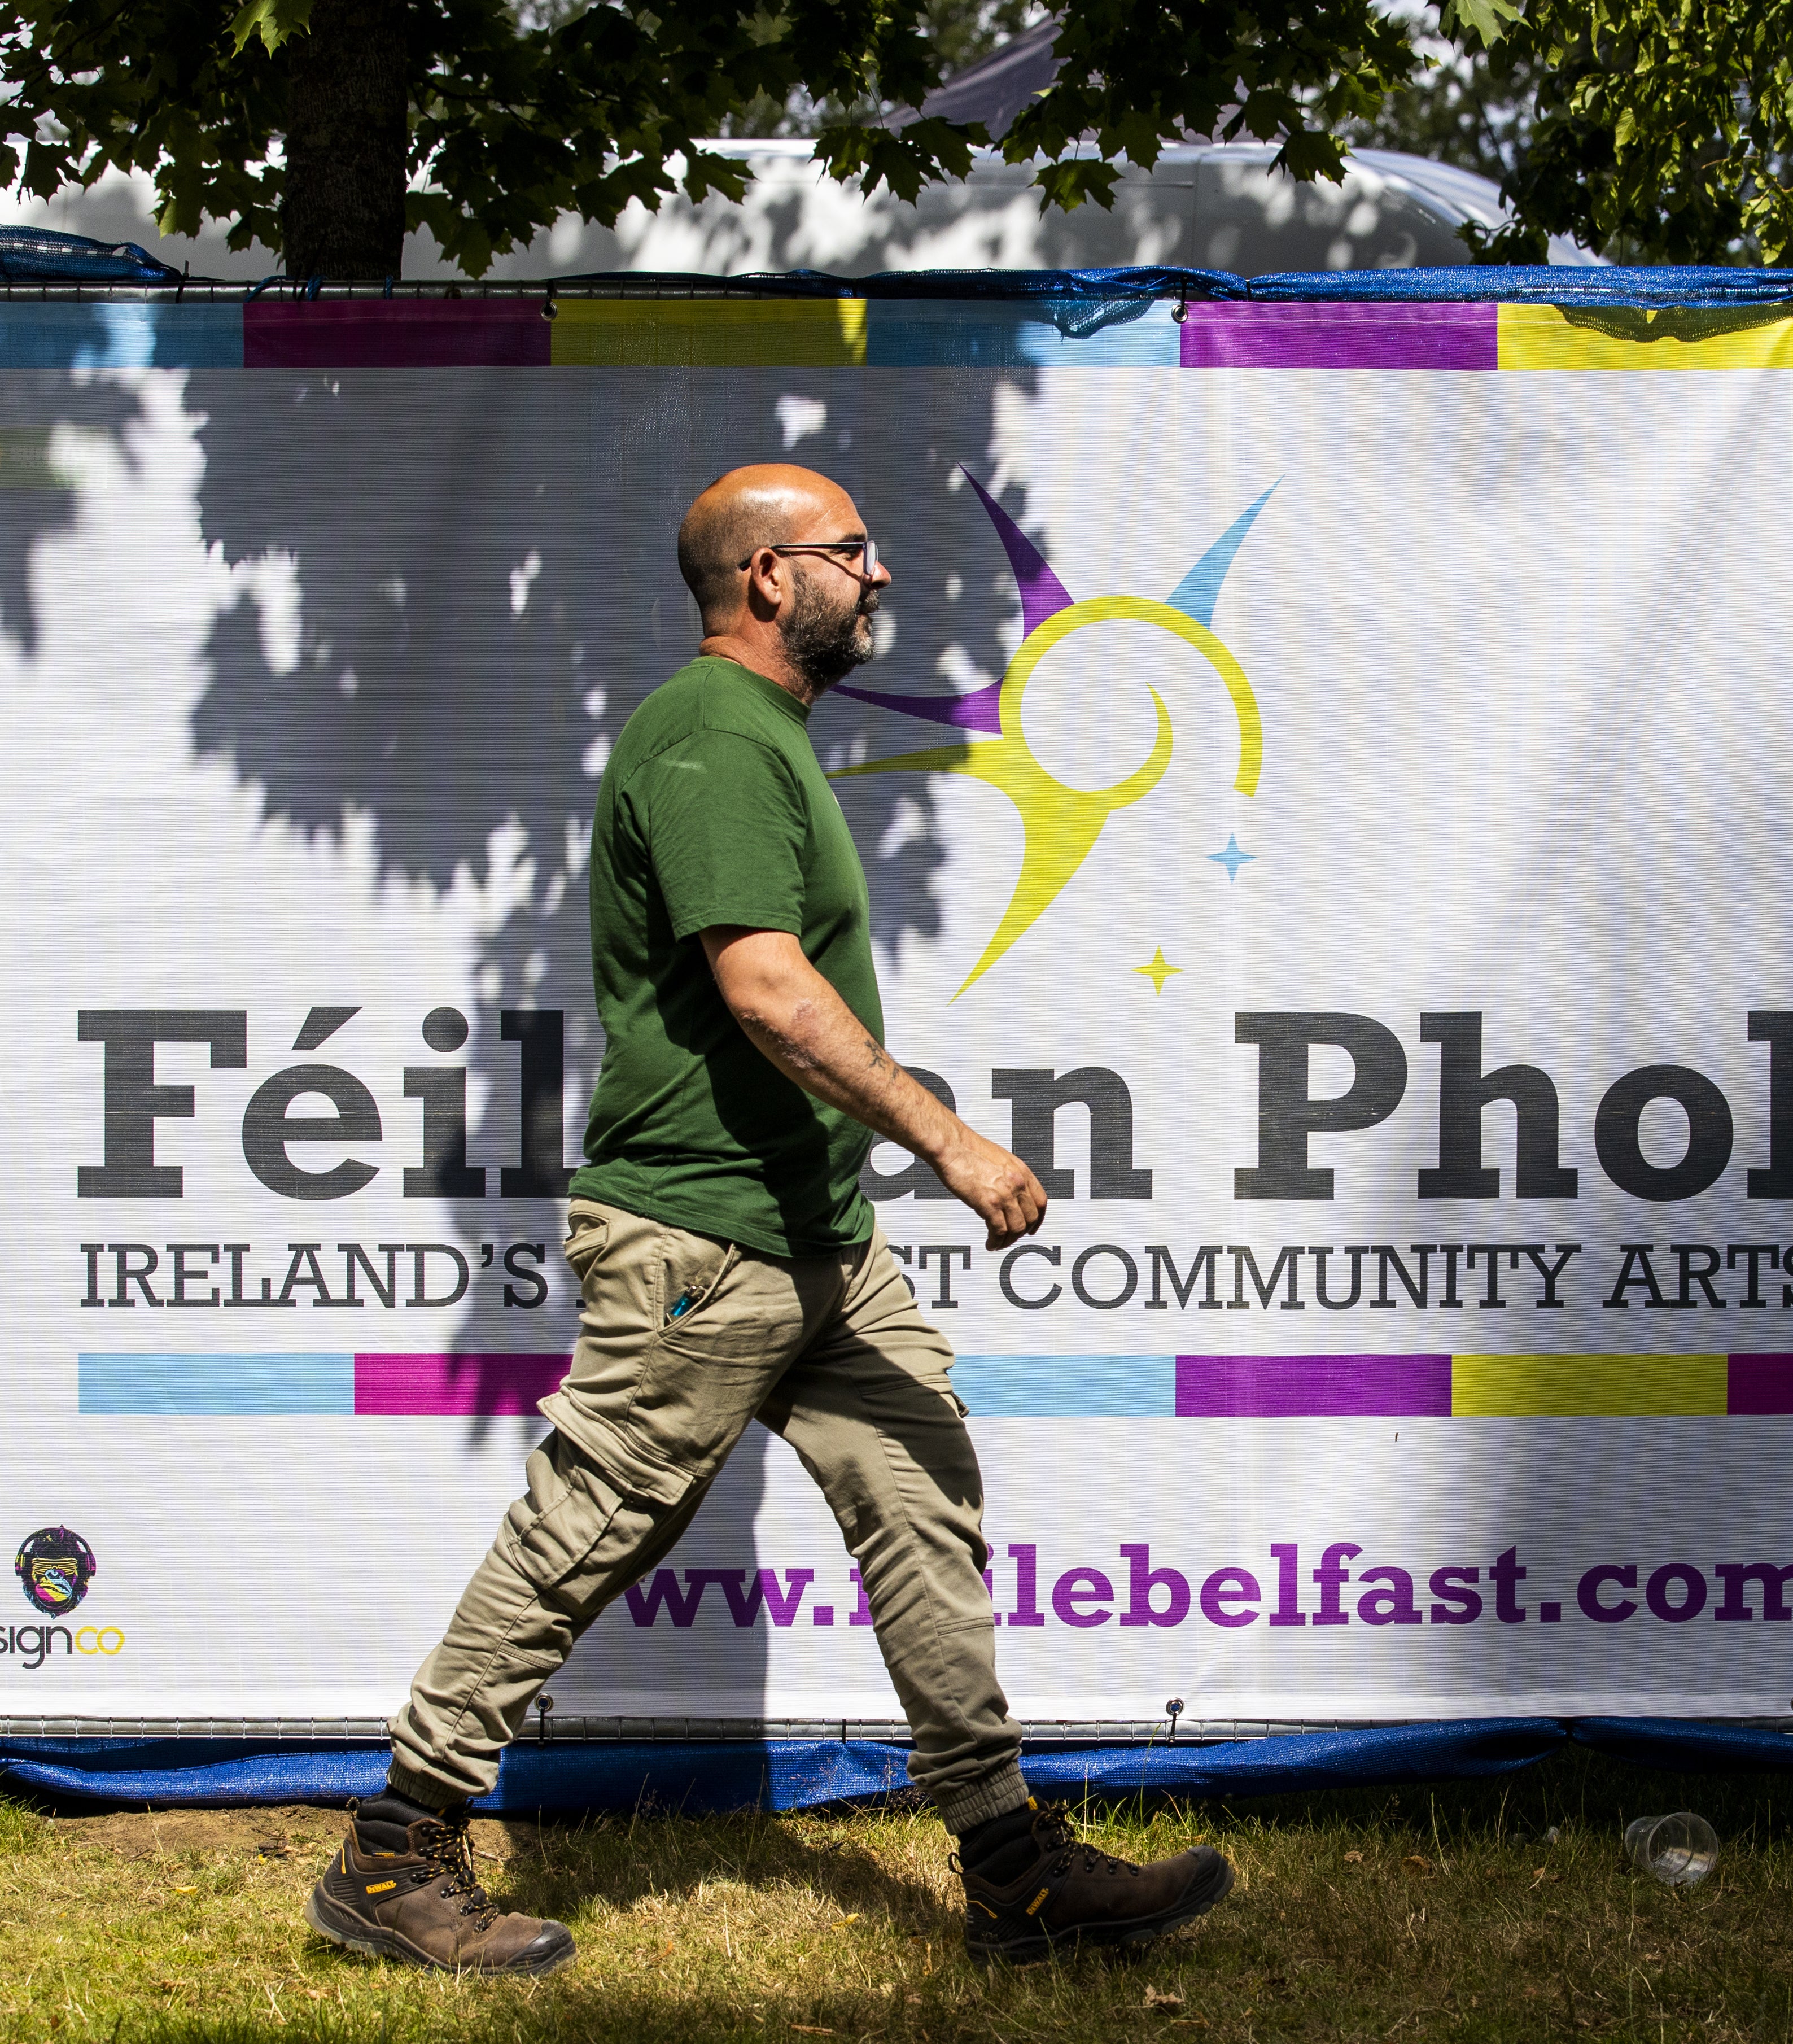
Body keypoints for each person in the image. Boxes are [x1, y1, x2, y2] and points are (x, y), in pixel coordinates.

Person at [307, 463, 1234, 1975]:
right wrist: (947, 1137)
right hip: (703, 1235)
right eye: (849, 552)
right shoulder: (712, 738)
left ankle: (1012, 1867)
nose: (878, 576)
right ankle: (391, 1855)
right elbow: (764, 991)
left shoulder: (772, 739)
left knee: (922, 1489)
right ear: (763, 581)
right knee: (585, 1532)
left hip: (817, 1235)